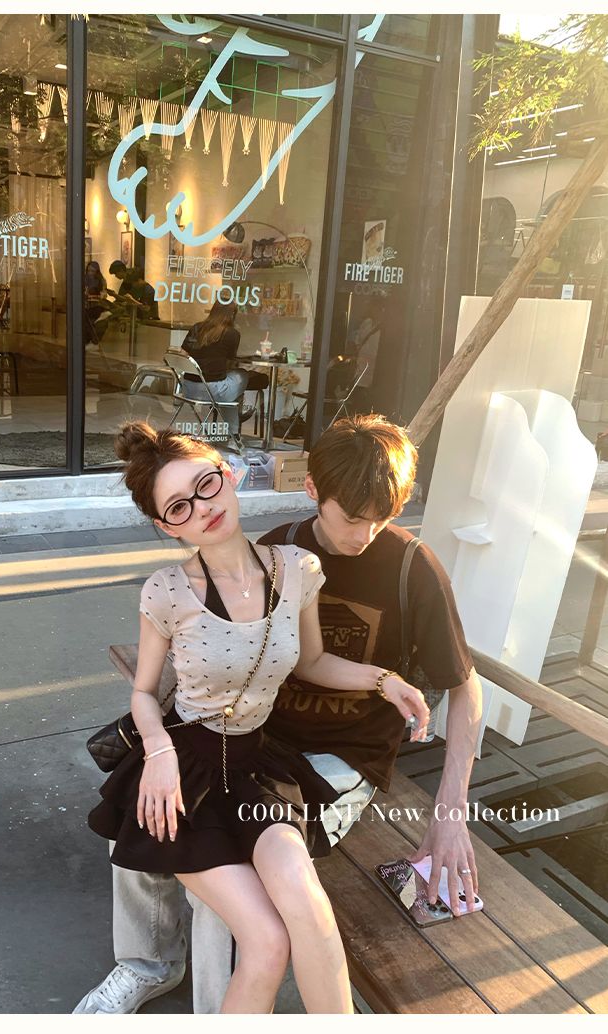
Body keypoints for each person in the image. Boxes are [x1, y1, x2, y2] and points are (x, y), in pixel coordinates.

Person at [74, 414, 483, 1015]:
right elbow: (184, 659)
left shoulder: (387, 567)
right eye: (353, 516)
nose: (367, 533)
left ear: (227, 476)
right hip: (247, 742)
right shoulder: (269, 547)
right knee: (158, 827)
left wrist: (449, 809)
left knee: (266, 894)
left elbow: (452, 684)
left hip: (314, 758)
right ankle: (146, 965)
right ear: (314, 491)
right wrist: (159, 746)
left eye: (384, 516)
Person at [180, 301, 263, 439]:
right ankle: (235, 427)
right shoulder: (232, 334)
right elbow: (230, 362)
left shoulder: (196, 327)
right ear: (232, 315)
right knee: (242, 375)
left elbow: (183, 354)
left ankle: (234, 432)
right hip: (212, 391)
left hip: (188, 389)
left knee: (228, 390)